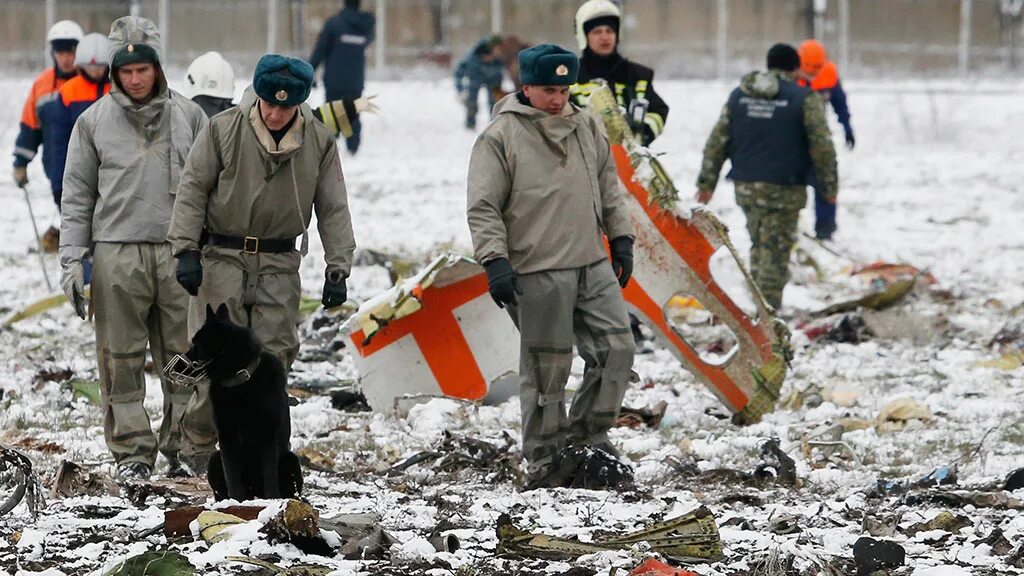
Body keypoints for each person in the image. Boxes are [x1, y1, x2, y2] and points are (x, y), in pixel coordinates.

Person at [167, 54, 356, 471]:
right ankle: (198, 451)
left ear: (300, 104)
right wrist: (185, 251)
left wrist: (337, 265)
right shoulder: (222, 130)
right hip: (222, 258)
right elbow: (193, 188)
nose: (274, 112)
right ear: (257, 96)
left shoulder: (319, 141)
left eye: (285, 106)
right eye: (268, 102)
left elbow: (333, 205)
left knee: (273, 360)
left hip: (279, 261)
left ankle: (271, 452)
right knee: (211, 358)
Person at [467, 44, 635, 489]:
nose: (558, 99)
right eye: (547, 90)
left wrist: (621, 237)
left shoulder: (586, 125)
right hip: (536, 268)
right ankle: (544, 458)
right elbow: (483, 207)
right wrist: (495, 260)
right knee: (547, 369)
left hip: (591, 261)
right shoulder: (500, 137)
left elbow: (609, 186)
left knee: (616, 350)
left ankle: (588, 438)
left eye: (563, 89)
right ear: (525, 87)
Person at [60, 16, 209, 481]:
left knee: (185, 356)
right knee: (119, 360)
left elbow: (212, 188)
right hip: (116, 256)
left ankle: (185, 444)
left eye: (143, 68)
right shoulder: (92, 123)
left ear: (158, 67)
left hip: (178, 255)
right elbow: (77, 196)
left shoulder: (191, 117)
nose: (136, 78)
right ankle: (132, 452)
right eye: (126, 70)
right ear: (114, 72)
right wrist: (72, 260)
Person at [695, 44, 838, 310]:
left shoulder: (740, 95)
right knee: (776, 252)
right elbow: (822, 147)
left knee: (760, 244)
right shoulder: (804, 98)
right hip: (785, 188)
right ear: (795, 68)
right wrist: (829, 188)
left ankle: (759, 307)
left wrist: (706, 183)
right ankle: (768, 315)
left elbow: (718, 141)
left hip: (746, 187)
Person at [13, 19, 83, 251]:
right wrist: (20, 163)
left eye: (70, 52)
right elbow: (30, 128)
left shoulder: (93, 81)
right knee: (75, 226)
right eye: (60, 52)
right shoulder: (42, 85)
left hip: (95, 171)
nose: (65, 58)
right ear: (53, 53)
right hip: (59, 173)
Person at [569, 0, 669, 147]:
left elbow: (659, 111)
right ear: (584, 36)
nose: (605, 37)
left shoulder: (637, 76)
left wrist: (642, 132)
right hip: (587, 162)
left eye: (610, 31)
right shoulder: (572, 78)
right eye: (597, 32)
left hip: (631, 163)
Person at [47, 33, 112, 214]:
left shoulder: (118, 88)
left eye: (100, 66)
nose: (96, 71)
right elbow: (59, 142)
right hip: (80, 172)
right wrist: (58, 184)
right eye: (90, 67)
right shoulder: (69, 91)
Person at [798, 39, 854, 240]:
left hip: (818, 139)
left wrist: (847, 126)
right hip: (792, 140)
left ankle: (825, 229)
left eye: (816, 67)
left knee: (826, 182)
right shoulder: (789, 76)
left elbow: (840, 103)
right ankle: (790, 227)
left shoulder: (829, 74)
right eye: (808, 67)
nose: (812, 72)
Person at [308, 0, 375, 154]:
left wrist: (310, 73)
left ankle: (331, 145)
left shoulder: (334, 24)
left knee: (332, 109)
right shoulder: (366, 26)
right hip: (355, 79)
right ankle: (353, 147)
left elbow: (320, 50)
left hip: (334, 78)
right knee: (352, 110)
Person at [454, 35, 505, 130]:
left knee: (495, 101)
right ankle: (470, 123)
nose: (499, 52)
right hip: (475, 77)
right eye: (497, 49)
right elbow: (458, 72)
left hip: (493, 79)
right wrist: (460, 89)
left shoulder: (501, 58)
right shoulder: (473, 57)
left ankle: (495, 123)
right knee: (471, 100)